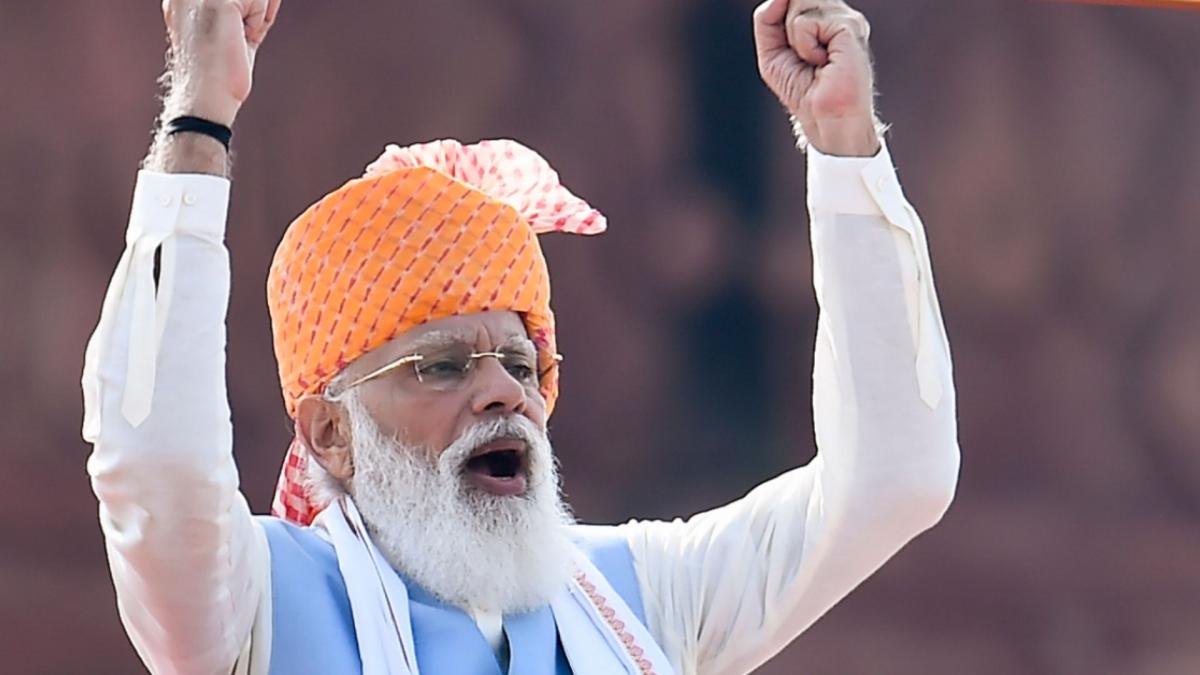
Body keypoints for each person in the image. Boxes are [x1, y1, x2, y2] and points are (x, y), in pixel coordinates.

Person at [81, 0, 960, 672]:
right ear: (330, 433)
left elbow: (895, 477)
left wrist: (844, 143)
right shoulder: (255, 601)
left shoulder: (642, 593)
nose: (505, 391)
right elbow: (156, 463)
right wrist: (199, 112)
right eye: (442, 365)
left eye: (521, 360)